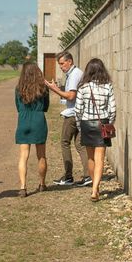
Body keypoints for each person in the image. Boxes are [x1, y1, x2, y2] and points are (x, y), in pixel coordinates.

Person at [74, 58, 116, 202]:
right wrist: (109, 123)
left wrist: (80, 126)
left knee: (90, 158)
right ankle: (95, 189)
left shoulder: (83, 87)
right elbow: (112, 109)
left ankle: (94, 187)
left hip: (86, 123)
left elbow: (78, 110)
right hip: (102, 123)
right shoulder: (107, 86)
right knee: (100, 158)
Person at [45, 52, 89, 186]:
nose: (61, 67)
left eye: (62, 63)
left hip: (73, 114)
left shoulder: (75, 74)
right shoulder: (74, 73)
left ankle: (69, 176)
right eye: (59, 64)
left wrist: (54, 89)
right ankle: (88, 175)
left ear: (69, 61)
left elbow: (70, 96)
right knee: (80, 145)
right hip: (78, 113)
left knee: (65, 142)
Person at [14, 62, 50, 197]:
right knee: (41, 155)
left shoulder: (19, 88)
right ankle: (42, 183)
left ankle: (23, 187)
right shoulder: (43, 88)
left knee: (23, 156)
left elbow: (18, 107)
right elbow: (46, 106)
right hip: (39, 120)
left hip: (23, 120)